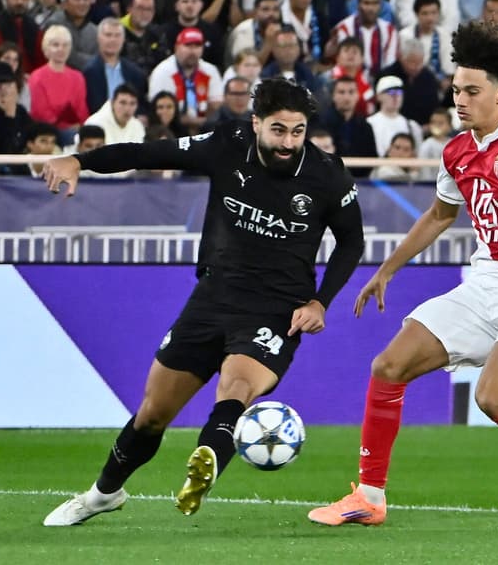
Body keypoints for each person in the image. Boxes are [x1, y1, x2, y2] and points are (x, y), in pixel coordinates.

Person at [308, 21, 498, 530]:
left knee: (492, 398)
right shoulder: (456, 151)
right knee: (388, 366)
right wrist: (387, 270)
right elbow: (438, 216)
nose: (461, 100)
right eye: (456, 91)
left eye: (472, 91)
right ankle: (369, 496)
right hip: (482, 286)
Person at [41, 77, 365, 527]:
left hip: (277, 309)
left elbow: (352, 242)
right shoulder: (226, 143)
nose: (289, 142)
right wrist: (79, 159)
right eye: (278, 130)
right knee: (152, 414)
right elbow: (147, 153)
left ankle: (208, 457)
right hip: (212, 298)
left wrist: (320, 302)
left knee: (236, 388)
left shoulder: (328, 174)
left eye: (297, 131)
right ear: (255, 123)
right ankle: (103, 494)